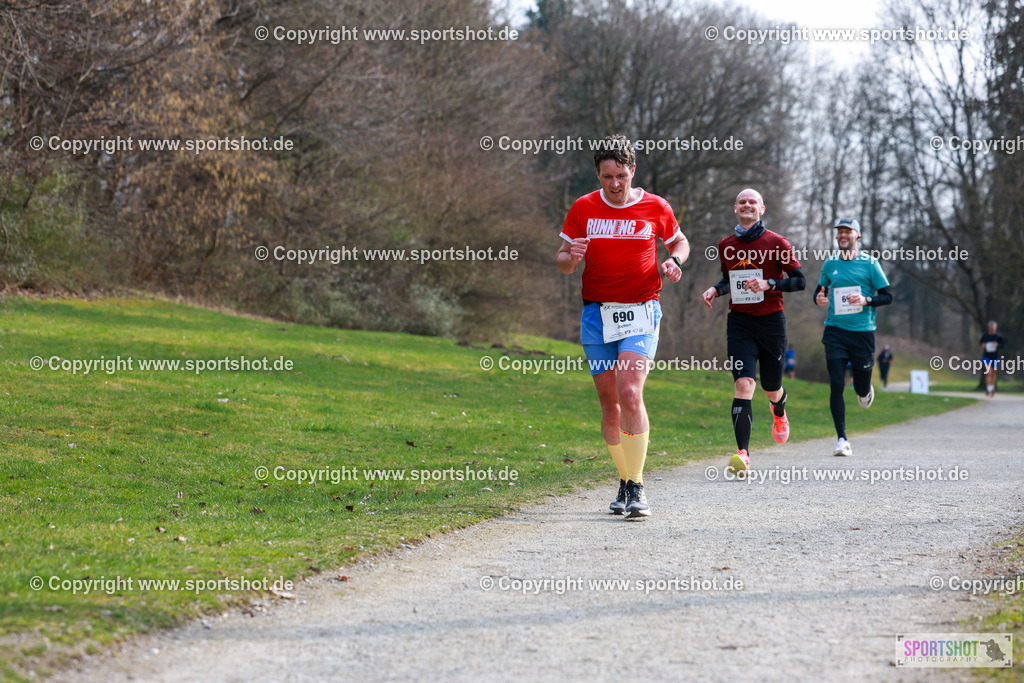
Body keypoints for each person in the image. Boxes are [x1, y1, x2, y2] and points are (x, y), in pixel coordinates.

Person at [557, 134, 690, 519]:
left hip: (642, 311)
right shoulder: (583, 208)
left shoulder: (655, 206)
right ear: (598, 175)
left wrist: (675, 262)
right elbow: (563, 260)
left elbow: (679, 242)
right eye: (607, 176)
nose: (614, 184)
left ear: (633, 171)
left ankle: (638, 486)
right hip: (596, 314)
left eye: (621, 175)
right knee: (609, 404)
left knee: (630, 392)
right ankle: (624, 480)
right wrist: (571, 258)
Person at [701, 188, 806, 475]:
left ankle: (779, 411)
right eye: (742, 202)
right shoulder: (727, 244)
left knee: (771, 388)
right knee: (744, 385)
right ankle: (743, 455)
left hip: (772, 323)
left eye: (752, 202)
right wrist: (714, 290)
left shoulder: (776, 242)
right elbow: (729, 281)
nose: (747, 205)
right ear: (735, 208)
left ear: (762, 208)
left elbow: (800, 281)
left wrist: (770, 284)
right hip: (740, 323)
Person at [814, 218, 893, 456]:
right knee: (836, 384)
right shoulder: (830, 264)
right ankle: (842, 439)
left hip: (862, 334)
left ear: (858, 236)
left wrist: (866, 300)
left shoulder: (870, 264)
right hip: (835, 331)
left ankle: (865, 389)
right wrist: (819, 298)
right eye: (839, 232)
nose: (842, 235)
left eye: (847, 231)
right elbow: (820, 291)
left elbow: (887, 296)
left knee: (859, 387)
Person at [980, 321, 1005, 398]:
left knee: (994, 373)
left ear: (995, 328)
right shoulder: (985, 336)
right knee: (988, 372)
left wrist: (997, 345)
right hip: (986, 356)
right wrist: (983, 345)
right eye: (990, 328)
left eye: (993, 328)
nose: (992, 330)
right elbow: (980, 342)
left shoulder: (998, 336)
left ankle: (992, 388)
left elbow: (1003, 345)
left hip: (995, 357)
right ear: (988, 328)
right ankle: (988, 389)